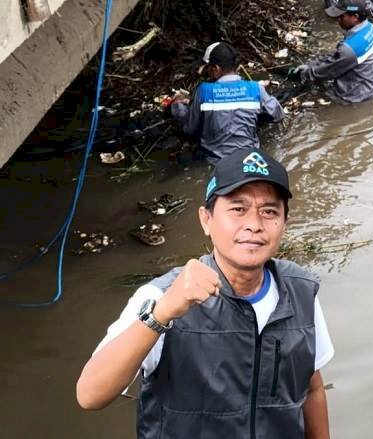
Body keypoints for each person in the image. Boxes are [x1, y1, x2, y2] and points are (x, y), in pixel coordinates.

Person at [76, 149, 334, 439]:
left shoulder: (300, 291)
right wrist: (161, 314)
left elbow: (311, 388)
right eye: (238, 209)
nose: (254, 224)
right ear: (206, 220)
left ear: (284, 223)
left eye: (269, 211)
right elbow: (90, 395)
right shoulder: (161, 296)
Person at [171, 42, 285, 162]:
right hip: (250, 159)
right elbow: (278, 115)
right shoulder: (255, 88)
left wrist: (177, 106)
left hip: (215, 161)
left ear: (216, 68)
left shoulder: (204, 90)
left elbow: (190, 128)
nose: (208, 73)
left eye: (209, 69)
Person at [295, 0, 373, 103]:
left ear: (355, 17)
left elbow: (326, 71)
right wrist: (314, 63)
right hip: (372, 84)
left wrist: (305, 73)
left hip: (354, 97)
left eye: (341, 16)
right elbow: (337, 56)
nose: (338, 20)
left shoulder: (349, 49)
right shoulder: (370, 27)